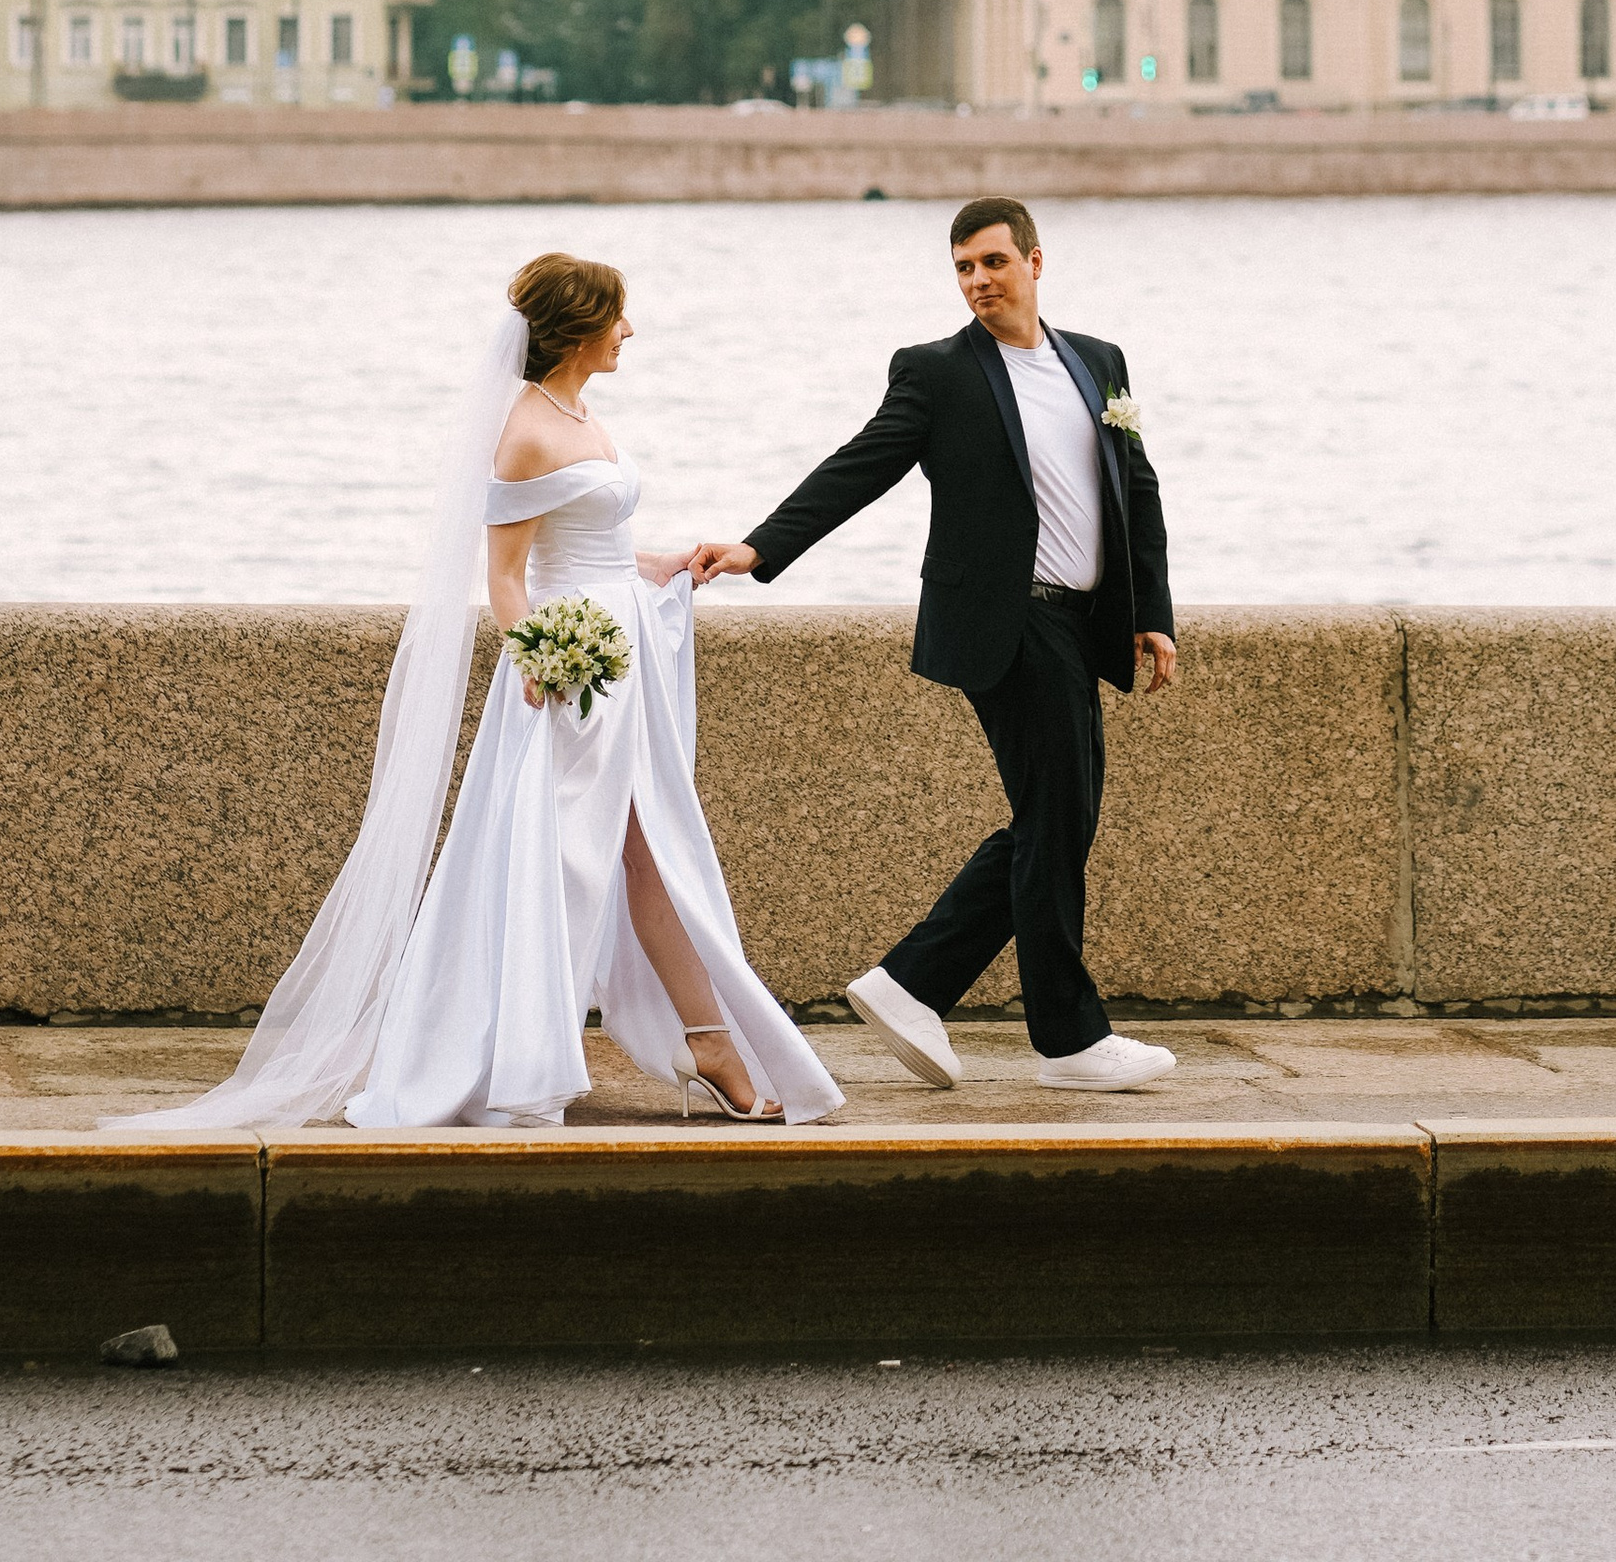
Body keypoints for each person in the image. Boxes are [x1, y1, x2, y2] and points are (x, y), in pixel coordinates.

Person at [110, 251, 840, 1135]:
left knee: (649, 853)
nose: (630, 330)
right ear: (577, 327)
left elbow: (597, 547)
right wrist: (538, 656)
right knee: (568, 860)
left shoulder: (580, 409)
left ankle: (704, 1040)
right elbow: (505, 573)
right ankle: (550, 1053)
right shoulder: (527, 427)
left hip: (622, 649)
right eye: (618, 316)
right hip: (576, 677)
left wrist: (670, 564)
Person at [689, 194, 1178, 1093]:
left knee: (1054, 819)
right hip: (1007, 620)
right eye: (962, 268)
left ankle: (913, 982)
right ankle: (1067, 1041)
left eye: (992, 262)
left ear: (1037, 261)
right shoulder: (938, 372)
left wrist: (1154, 612)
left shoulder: (1098, 364)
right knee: (1058, 815)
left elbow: (1133, 489)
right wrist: (761, 548)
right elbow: (860, 464)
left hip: (1079, 619)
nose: (977, 281)